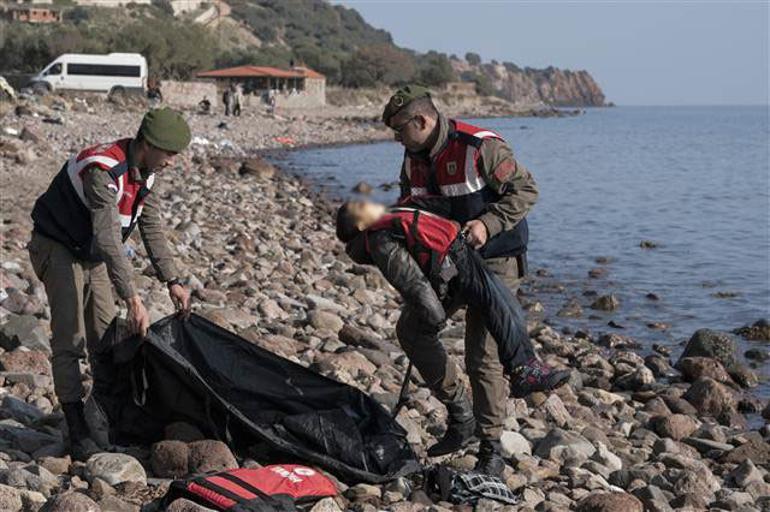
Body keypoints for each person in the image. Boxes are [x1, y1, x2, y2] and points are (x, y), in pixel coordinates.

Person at [336, 199, 569, 475]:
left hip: (465, 263)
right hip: (458, 254)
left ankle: (494, 434)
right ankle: (470, 411)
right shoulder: (392, 215)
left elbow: (417, 289)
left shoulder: (379, 238)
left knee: (485, 345)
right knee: (498, 309)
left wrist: (432, 316)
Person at [380, 85, 540, 475]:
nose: (397, 139)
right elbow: (410, 209)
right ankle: (460, 413)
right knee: (414, 329)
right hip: (448, 260)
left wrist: (487, 225)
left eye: (401, 130)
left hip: (497, 259)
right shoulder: (412, 157)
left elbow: (526, 190)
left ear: (422, 120)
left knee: (481, 354)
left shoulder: (478, 146)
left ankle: (491, 447)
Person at [28, 108, 193, 459]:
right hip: (58, 248)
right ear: (147, 145)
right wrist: (132, 297)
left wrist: (173, 280)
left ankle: (105, 412)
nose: (173, 162)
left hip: (91, 254)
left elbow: (150, 227)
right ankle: (76, 428)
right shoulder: (102, 170)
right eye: (170, 153)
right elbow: (107, 239)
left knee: (104, 336)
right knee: (70, 338)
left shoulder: (146, 173)